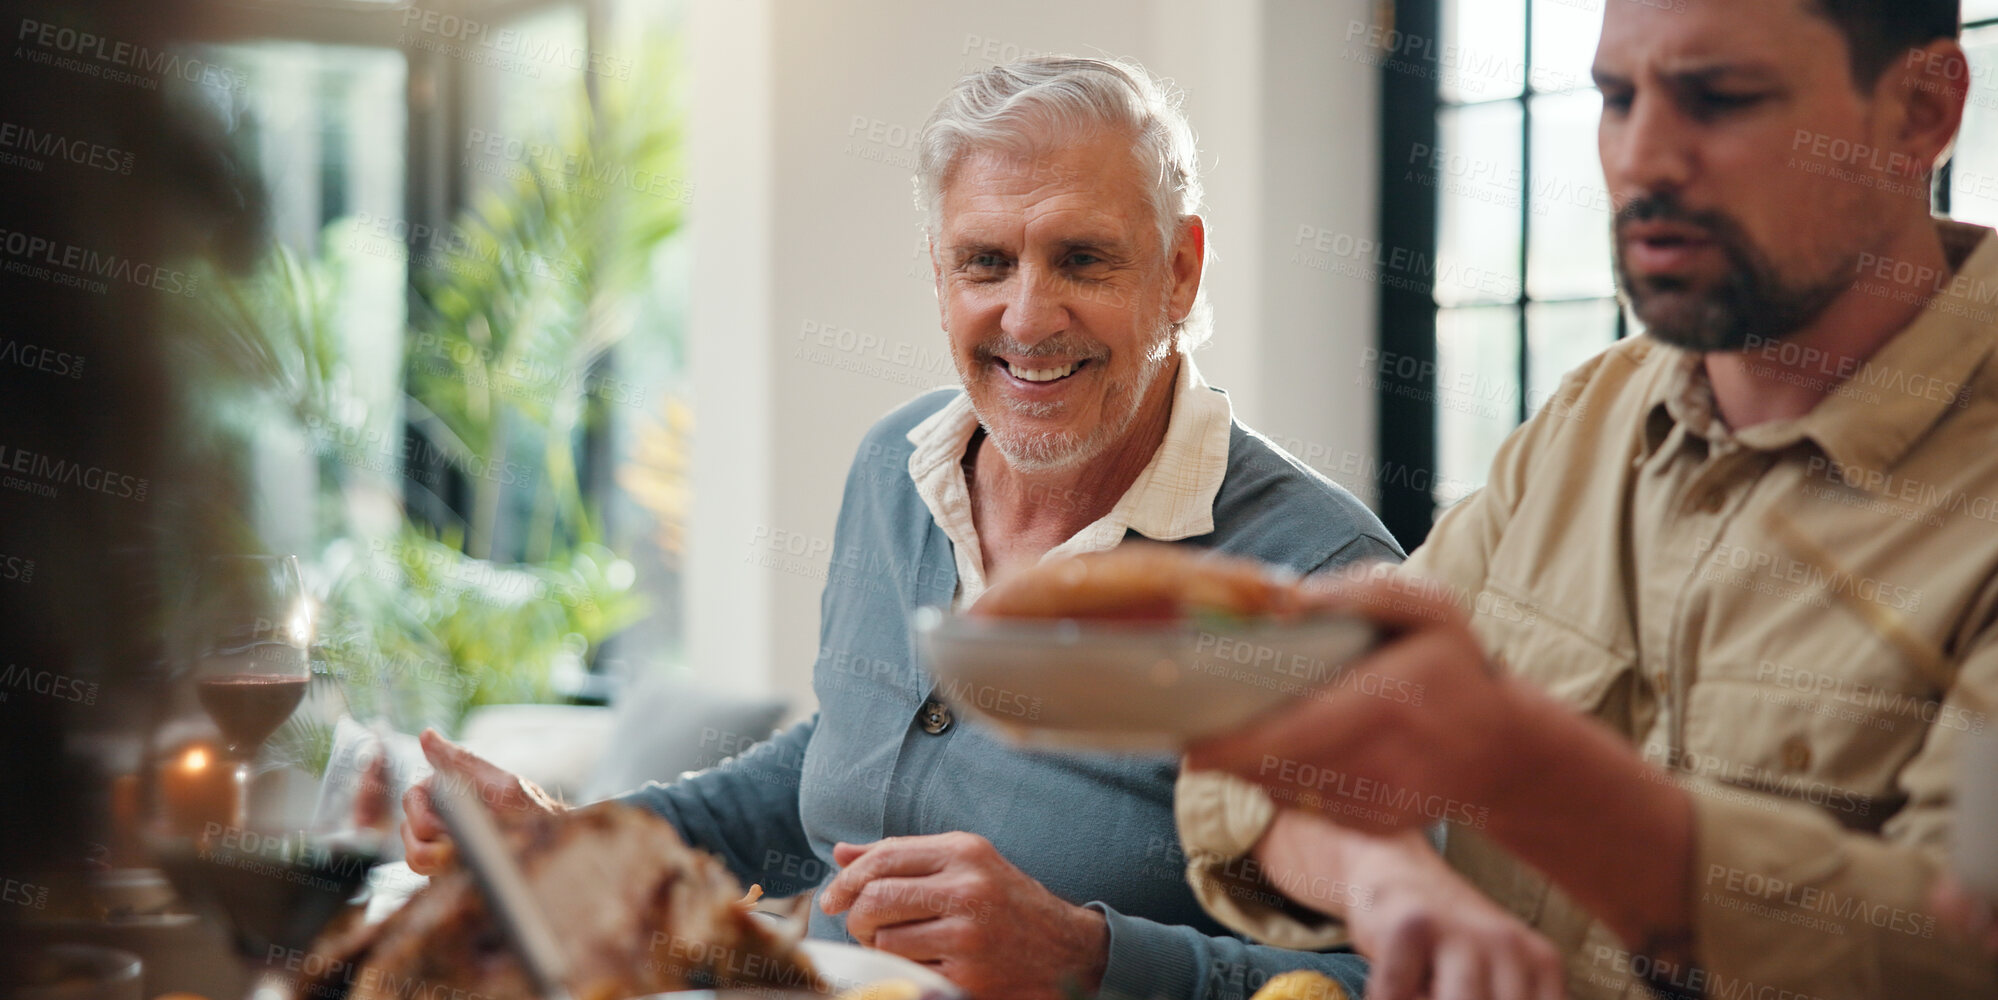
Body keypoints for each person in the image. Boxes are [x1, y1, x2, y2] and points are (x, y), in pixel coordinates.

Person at [403, 57, 1407, 1000]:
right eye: (986, 263)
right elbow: (835, 759)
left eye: (1084, 259)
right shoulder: (896, 465)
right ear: (939, 274)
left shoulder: (1324, 578)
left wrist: (1086, 957)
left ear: (1180, 270)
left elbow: (1396, 975)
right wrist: (572, 842)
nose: (1027, 317)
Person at [1175, 1, 1998, 998]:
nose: (1643, 159)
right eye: (1616, 98)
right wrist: (1388, 881)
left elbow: (1955, 955)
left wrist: (1524, 770)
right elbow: (1245, 764)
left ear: (1920, 110)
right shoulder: (1591, 417)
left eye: (1720, 97)